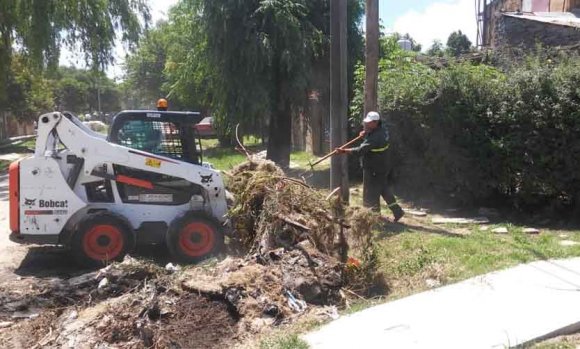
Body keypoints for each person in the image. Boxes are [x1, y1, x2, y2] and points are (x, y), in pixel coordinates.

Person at [336, 111, 405, 222]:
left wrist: (343, 151)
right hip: (382, 166)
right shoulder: (382, 129)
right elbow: (373, 143)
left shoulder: (375, 136)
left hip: (375, 168)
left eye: (369, 123)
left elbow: (360, 150)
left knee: (373, 192)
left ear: (375, 122)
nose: (366, 125)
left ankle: (374, 216)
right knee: (384, 189)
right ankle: (397, 211)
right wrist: (366, 135)